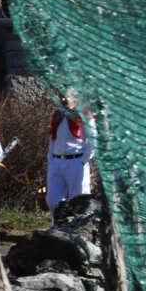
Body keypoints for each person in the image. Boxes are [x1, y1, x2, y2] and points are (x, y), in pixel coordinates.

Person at [45, 90, 93, 218]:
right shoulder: (58, 114)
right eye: (61, 96)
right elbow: (53, 138)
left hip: (76, 161)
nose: (64, 99)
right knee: (52, 200)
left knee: (79, 200)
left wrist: (83, 161)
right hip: (57, 161)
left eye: (66, 96)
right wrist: (50, 158)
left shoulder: (84, 114)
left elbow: (94, 140)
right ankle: (56, 226)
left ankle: (76, 230)